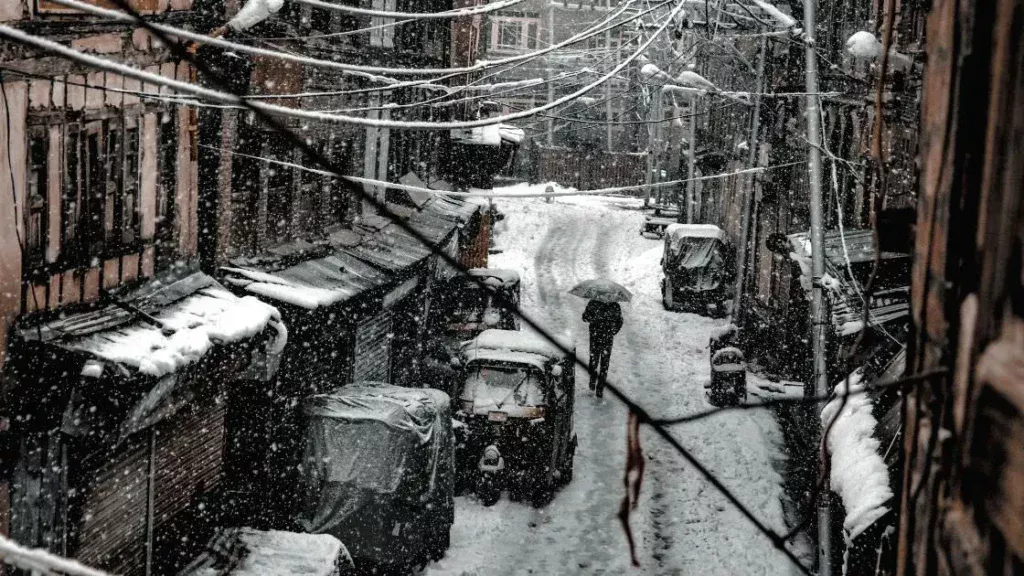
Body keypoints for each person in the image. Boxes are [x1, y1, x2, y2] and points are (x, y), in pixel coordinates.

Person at [582, 299, 623, 398]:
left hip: (595, 337)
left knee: (593, 361)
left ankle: (593, 380)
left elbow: (584, 318)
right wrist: (612, 331)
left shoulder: (593, 303)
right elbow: (620, 321)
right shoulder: (615, 305)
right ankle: (600, 388)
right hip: (607, 339)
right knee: (604, 364)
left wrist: (592, 317)